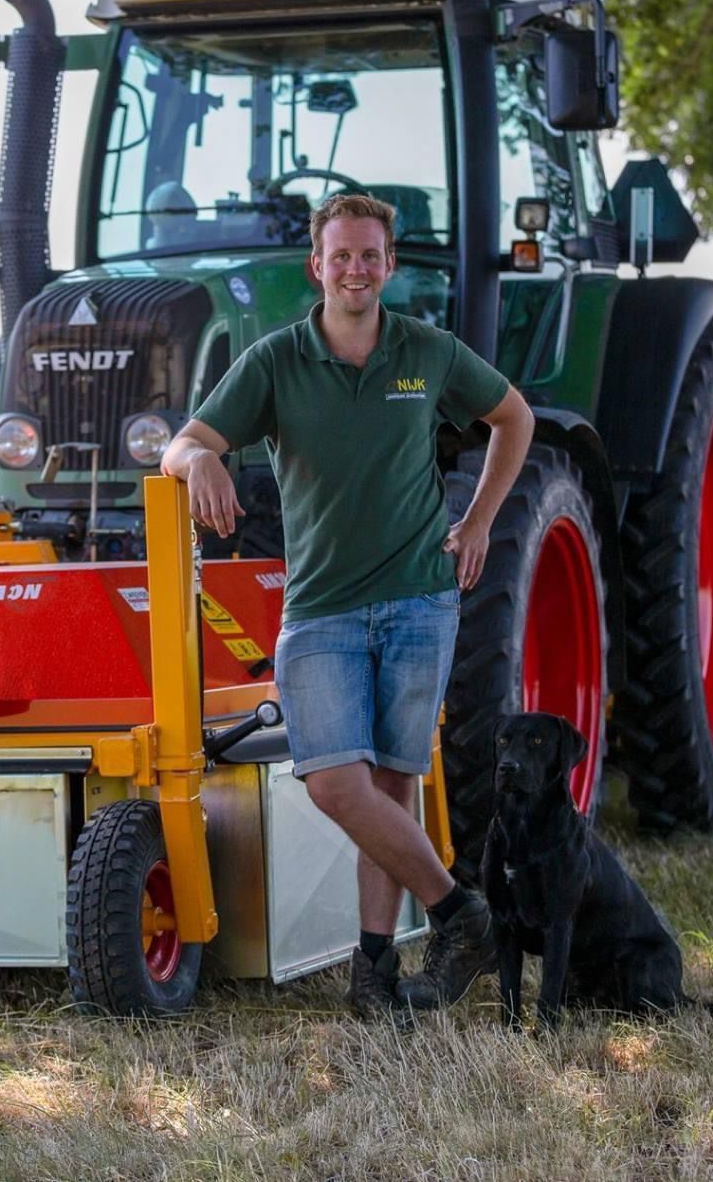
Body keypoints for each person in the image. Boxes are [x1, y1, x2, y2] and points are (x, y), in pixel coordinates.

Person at [161, 193, 534, 1024]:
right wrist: (201, 466)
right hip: (322, 607)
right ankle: (458, 911)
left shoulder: (426, 351)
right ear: (316, 267)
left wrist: (477, 520)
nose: (356, 269)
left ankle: (372, 974)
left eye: (371, 255)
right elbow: (180, 441)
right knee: (336, 783)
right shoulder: (275, 359)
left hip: (417, 599)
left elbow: (514, 416)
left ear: (388, 266)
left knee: (391, 791)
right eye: (342, 256)